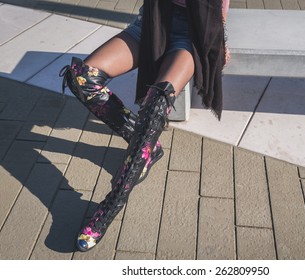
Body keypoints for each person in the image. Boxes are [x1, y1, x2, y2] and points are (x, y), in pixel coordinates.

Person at [60, 0, 230, 252]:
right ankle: (145, 146)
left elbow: (218, 9)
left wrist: (220, 41)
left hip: (192, 34)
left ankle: (110, 205)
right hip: (151, 23)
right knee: (82, 77)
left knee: (156, 104)